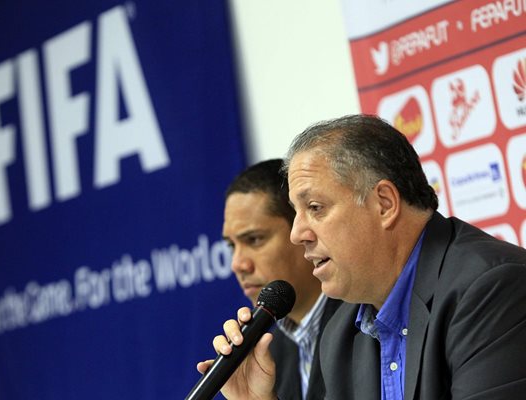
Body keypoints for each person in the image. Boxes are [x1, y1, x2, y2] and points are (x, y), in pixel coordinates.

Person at [199, 114, 526, 400]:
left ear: (384, 203)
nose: (298, 234)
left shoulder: (491, 290)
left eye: (315, 208)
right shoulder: (342, 333)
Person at [220, 159, 342, 399]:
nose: (237, 264)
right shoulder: (268, 355)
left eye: (254, 239)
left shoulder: (368, 322)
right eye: (231, 245)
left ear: (302, 231)